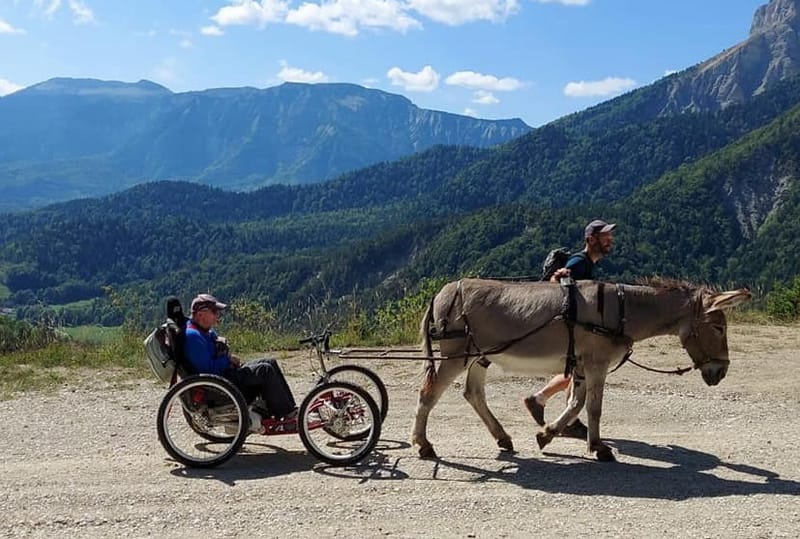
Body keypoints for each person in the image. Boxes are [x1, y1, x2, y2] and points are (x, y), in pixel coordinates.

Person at [523, 219, 616, 438]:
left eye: (609, 236)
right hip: (567, 330)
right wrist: (557, 278)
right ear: (590, 239)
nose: (609, 240)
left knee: (576, 371)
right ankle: (551, 407)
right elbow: (556, 290)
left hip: (573, 330)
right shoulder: (579, 263)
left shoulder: (588, 264)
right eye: (604, 237)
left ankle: (545, 404)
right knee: (579, 370)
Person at [183, 293, 297, 433]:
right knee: (264, 370)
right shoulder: (193, 337)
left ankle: (290, 411)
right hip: (219, 386)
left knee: (269, 362)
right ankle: (286, 416)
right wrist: (227, 360)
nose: (217, 315)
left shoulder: (202, 331)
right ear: (200, 314)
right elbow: (208, 370)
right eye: (214, 312)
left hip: (224, 377)